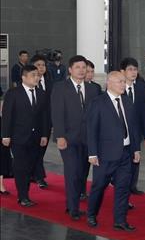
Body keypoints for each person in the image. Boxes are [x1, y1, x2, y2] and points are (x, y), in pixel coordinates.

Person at [86, 72, 141, 230]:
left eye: (124, 82)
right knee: (99, 186)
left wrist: (136, 149)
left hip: (125, 152)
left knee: (123, 187)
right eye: (120, 82)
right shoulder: (98, 102)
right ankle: (91, 214)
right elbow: (91, 129)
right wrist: (92, 153)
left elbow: (133, 127)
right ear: (109, 83)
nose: (123, 85)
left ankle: (120, 220)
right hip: (105, 154)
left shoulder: (127, 101)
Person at [51, 55, 101, 220]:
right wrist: (59, 136)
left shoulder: (93, 89)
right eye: (78, 67)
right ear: (70, 70)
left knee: (82, 173)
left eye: (84, 67)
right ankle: (72, 208)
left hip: (88, 139)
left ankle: (75, 200)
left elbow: (97, 115)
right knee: (72, 172)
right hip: (68, 138)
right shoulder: (60, 87)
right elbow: (57, 113)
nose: (82, 70)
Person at [1, 65, 49, 207]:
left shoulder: (41, 93)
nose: (37, 77)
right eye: (33, 75)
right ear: (24, 77)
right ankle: (23, 196)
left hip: (36, 138)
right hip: (18, 137)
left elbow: (44, 117)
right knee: (21, 166)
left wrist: (45, 135)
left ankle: (25, 193)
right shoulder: (13, 93)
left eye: (38, 75)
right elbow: (7, 116)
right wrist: (5, 135)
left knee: (30, 166)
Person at [120, 58, 145, 195]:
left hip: (136, 131)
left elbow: (144, 112)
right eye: (130, 69)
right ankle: (122, 186)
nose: (133, 72)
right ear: (122, 71)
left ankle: (132, 185)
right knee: (123, 161)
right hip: (121, 132)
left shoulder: (139, 87)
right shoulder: (118, 87)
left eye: (135, 69)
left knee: (135, 157)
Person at [31, 54, 53, 189]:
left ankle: (35, 173)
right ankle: (39, 176)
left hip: (47, 121)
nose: (41, 68)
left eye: (43, 65)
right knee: (35, 150)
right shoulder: (28, 82)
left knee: (42, 149)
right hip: (32, 122)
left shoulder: (50, 81)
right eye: (38, 65)